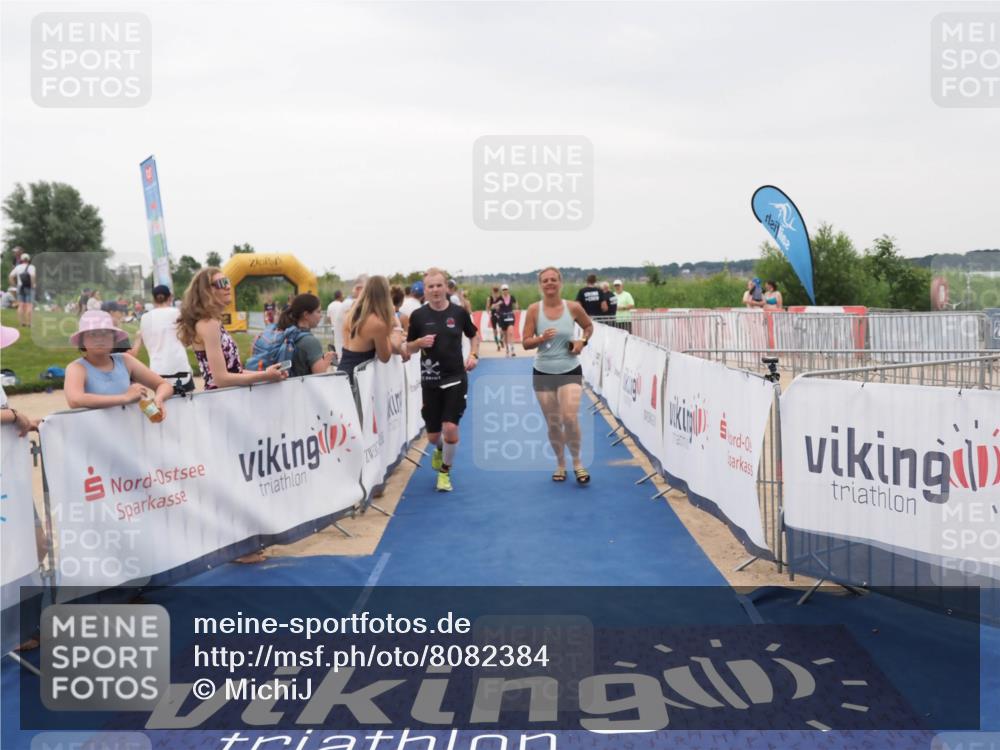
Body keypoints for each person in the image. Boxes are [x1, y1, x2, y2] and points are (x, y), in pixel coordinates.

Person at [404, 267, 479, 493]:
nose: (435, 290)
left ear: (446, 287)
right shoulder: (418, 316)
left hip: (455, 377)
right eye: (431, 286)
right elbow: (408, 347)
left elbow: (474, 335)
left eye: (439, 285)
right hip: (431, 380)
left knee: (450, 428)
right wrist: (419, 343)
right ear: (425, 290)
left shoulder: (459, 313)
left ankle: (445, 473)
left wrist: (473, 355)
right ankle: (439, 449)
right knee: (433, 436)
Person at [522, 266, 594, 484]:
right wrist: (540, 338)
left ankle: (578, 463)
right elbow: (525, 343)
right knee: (554, 423)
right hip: (543, 372)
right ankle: (561, 464)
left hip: (569, 369)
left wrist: (582, 341)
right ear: (540, 285)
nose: (550, 283)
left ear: (560, 282)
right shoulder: (534, 310)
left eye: (553, 279)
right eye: (545, 280)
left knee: (569, 418)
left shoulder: (573, 307)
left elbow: (588, 326)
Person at [176, 267, 287, 390]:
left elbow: (235, 371)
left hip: (227, 396)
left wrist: (267, 375)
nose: (228, 287)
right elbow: (221, 379)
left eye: (227, 281)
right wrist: (265, 375)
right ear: (206, 291)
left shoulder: (212, 321)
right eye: (221, 283)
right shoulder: (209, 324)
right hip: (223, 398)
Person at [63, 311, 173, 417]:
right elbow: (75, 400)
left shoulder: (125, 360)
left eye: (105, 333)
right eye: (92, 334)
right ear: (82, 341)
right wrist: (125, 398)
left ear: (114, 339)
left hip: (127, 428)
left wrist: (159, 399)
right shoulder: (77, 368)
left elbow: (164, 385)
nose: (99, 339)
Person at [338, 276, 406, 382]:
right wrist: (396, 326)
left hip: (343, 372)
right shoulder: (377, 323)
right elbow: (385, 357)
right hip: (358, 379)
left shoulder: (351, 314)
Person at [132, 285, 194, 395]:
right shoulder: (178, 313)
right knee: (188, 403)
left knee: (163, 404)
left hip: (157, 372)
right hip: (180, 369)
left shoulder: (145, 318)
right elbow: (187, 341)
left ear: (153, 299)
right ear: (170, 297)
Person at [276, 293, 335, 377]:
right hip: (301, 385)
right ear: (306, 315)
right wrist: (327, 360)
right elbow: (320, 374)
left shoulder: (288, 333)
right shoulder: (310, 341)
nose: (321, 315)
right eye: (318, 311)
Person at [333, 275, 368, 357]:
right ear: (359, 288)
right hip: (346, 355)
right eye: (369, 289)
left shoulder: (349, 303)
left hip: (347, 354)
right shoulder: (349, 304)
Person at [491, 283, 519, 357]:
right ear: (502, 291)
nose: (505, 291)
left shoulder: (512, 297)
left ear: (508, 290)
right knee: (505, 334)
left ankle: (512, 349)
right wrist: (498, 304)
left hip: (510, 316)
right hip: (502, 317)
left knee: (511, 332)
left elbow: (516, 305)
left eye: (506, 289)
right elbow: (492, 307)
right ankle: (507, 349)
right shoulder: (500, 298)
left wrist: (516, 307)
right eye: (503, 289)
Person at [8, 251, 36, 327]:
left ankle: (22, 323)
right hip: (29, 287)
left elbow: (10, 276)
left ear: (21, 260)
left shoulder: (18, 267)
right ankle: (29, 323)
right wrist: (33, 285)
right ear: (28, 259)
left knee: (21, 305)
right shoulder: (31, 267)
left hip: (20, 287)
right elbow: (32, 276)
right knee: (29, 305)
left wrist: (14, 285)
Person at [485, 286, 503, 351]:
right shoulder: (490, 298)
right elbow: (488, 307)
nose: (495, 293)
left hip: (499, 315)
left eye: (496, 291)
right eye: (494, 291)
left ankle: (500, 341)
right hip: (494, 315)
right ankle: (498, 343)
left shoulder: (500, 298)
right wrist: (489, 311)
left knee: (500, 330)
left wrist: (494, 307)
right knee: (496, 330)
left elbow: (503, 305)